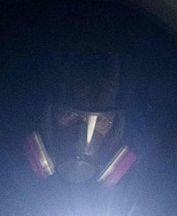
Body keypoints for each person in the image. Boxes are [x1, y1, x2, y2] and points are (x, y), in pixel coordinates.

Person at [24, 42, 138, 187]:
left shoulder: (137, 182)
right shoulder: (11, 167)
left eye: (100, 120)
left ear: (117, 126)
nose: (80, 135)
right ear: (49, 116)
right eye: (69, 114)